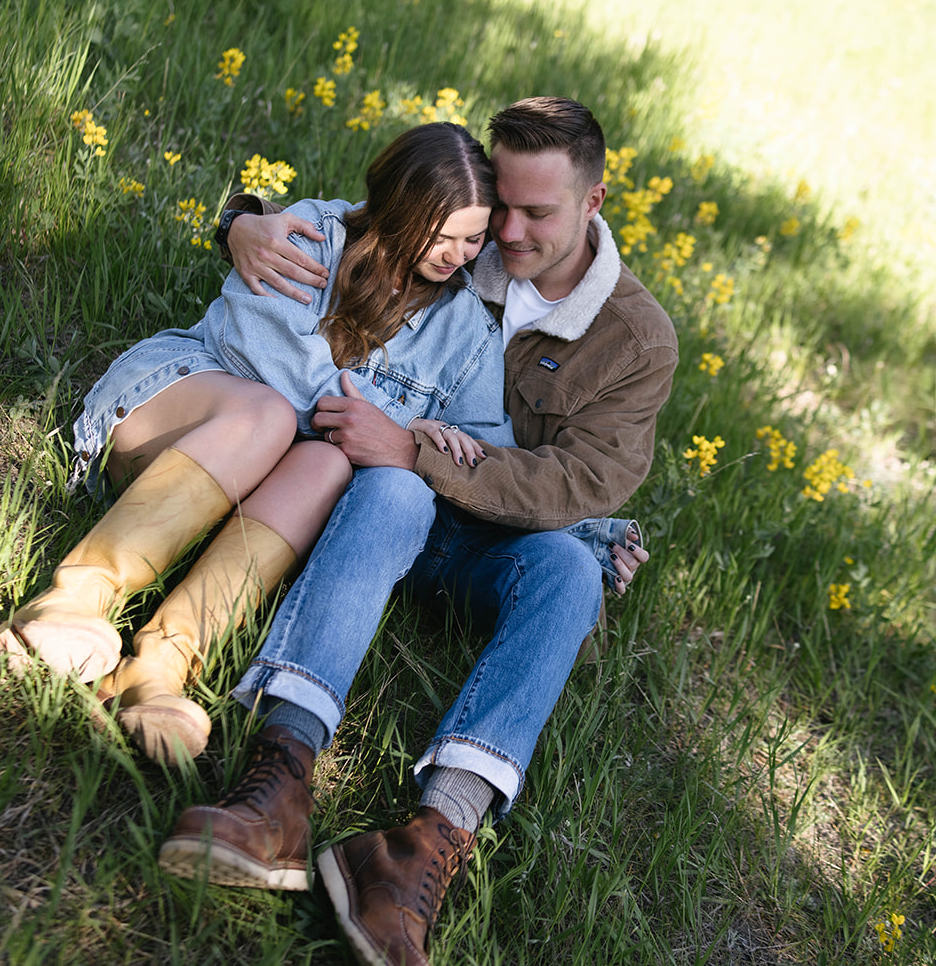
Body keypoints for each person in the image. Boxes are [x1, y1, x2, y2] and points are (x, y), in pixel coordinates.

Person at [156, 97, 677, 966]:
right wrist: (241, 220)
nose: (507, 233)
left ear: (593, 202)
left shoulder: (636, 339)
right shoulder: (465, 239)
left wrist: (419, 451)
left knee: (568, 575)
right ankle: (279, 781)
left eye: (536, 213)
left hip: (490, 539)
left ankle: (421, 849)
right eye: (500, 206)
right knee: (397, 491)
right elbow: (351, 224)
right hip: (380, 500)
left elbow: (578, 480)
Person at [0, 123, 517, 765]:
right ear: (400, 206)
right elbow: (266, 359)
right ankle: (72, 600)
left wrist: (430, 449)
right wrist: (395, 426)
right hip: (176, 415)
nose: (457, 254)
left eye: (473, 238)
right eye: (442, 234)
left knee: (326, 463)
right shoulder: (312, 235)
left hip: (256, 491)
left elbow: (485, 454)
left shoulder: (467, 334)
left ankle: (160, 664)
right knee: (270, 412)